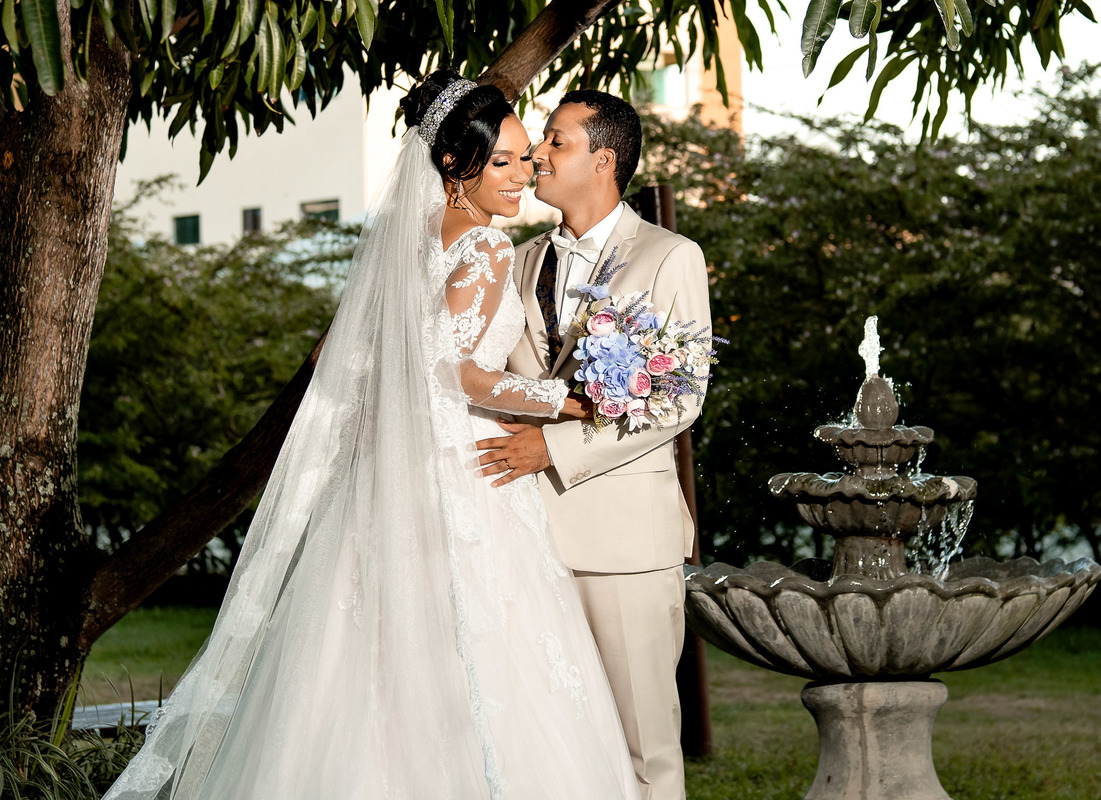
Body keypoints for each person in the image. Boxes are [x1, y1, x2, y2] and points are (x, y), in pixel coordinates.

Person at [102, 71, 640, 800]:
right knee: (476, 655)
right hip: (461, 474)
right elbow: (460, 376)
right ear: (455, 166)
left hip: (388, 473)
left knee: (361, 654)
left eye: (526, 158)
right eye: (505, 161)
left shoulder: (405, 240)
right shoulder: (484, 249)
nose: (525, 175)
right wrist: (569, 402)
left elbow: (349, 358)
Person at [477, 90, 712, 800]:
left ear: (603, 160)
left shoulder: (670, 257)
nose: (536, 157)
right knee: (551, 750)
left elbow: (678, 399)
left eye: (555, 142)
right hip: (524, 542)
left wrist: (554, 449)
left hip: (625, 551)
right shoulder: (515, 261)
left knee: (644, 751)